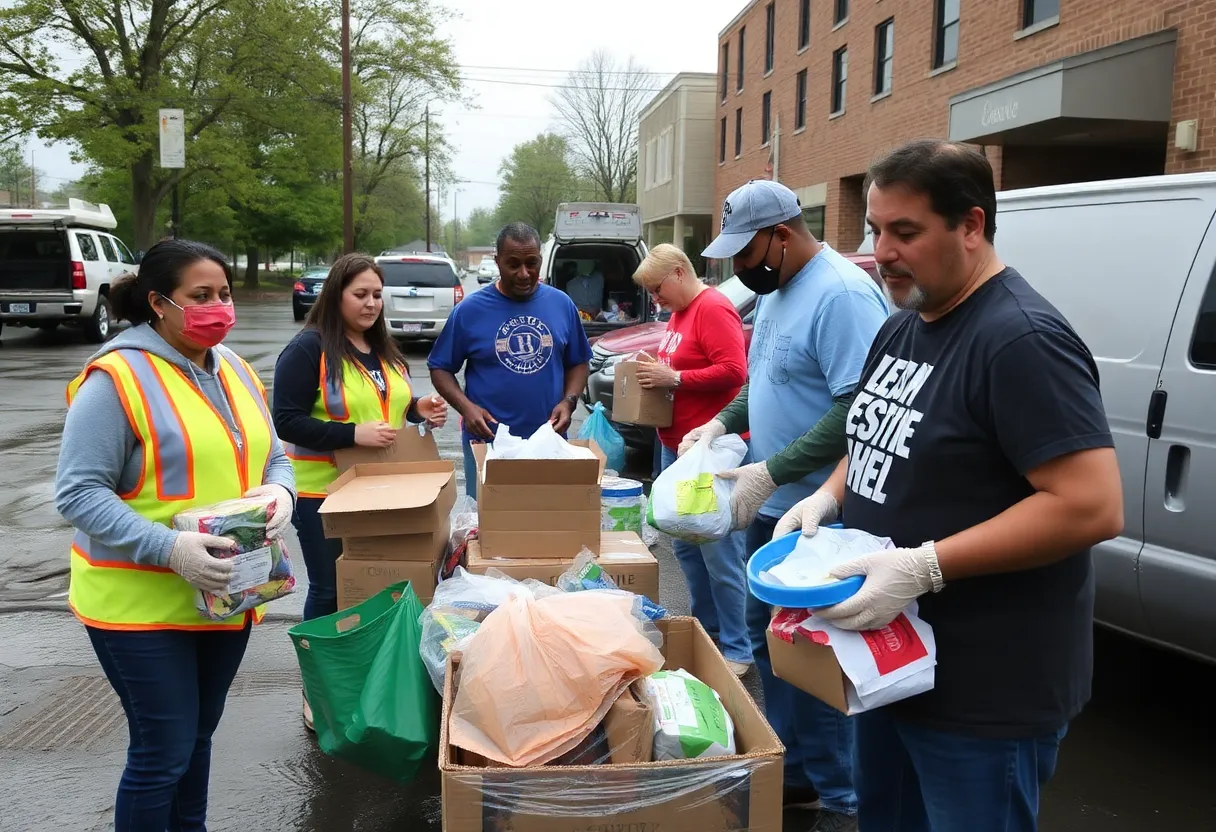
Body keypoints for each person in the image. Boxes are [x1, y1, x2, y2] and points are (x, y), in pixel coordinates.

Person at [778, 139, 1124, 831]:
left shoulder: (1020, 339)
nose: (882, 251)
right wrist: (828, 496)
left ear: (971, 226)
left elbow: (1091, 504)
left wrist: (924, 565)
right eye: (876, 230)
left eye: (905, 232)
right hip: (891, 665)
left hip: (983, 695)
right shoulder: (902, 325)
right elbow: (875, 432)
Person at [54, 239, 296, 832]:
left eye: (225, 294)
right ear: (160, 303)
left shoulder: (234, 368)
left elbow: (275, 457)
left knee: (197, 739)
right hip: (139, 602)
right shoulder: (116, 379)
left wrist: (281, 493)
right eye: (201, 296)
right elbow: (78, 492)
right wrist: (170, 548)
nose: (219, 307)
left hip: (225, 594)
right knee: (162, 752)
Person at [680, 179, 889, 831]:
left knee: (819, 660)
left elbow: (858, 410)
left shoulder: (842, 296)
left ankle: (844, 800)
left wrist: (772, 470)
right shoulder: (776, 292)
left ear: (784, 235)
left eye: (746, 252)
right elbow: (765, 377)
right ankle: (799, 769)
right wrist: (720, 425)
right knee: (780, 652)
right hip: (777, 508)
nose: (740, 267)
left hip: (826, 516)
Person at [273, 253, 447, 721]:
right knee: (331, 591)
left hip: (382, 492)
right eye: (360, 294)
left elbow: (393, 411)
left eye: (376, 294)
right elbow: (285, 420)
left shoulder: (382, 347)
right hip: (324, 495)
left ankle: (369, 683)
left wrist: (419, 411)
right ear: (336, 295)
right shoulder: (309, 348)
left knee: (376, 589)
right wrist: (352, 434)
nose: (371, 304)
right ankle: (318, 690)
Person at [631, 243, 751, 676]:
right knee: (685, 545)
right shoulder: (680, 314)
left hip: (709, 449)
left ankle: (739, 647)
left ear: (680, 272)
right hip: (676, 446)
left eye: (658, 289)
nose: (656, 300)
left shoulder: (713, 308)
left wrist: (675, 377)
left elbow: (736, 372)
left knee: (718, 548)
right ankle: (709, 630)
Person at [429, 222, 592, 499]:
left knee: (548, 526)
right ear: (497, 262)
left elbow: (578, 361)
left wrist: (569, 400)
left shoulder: (561, 304)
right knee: (486, 530)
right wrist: (466, 408)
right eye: (513, 264)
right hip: (488, 444)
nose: (524, 273)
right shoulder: (470, 310)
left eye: (532, 263)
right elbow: (440, 367)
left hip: (548, 442)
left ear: (541, 259)